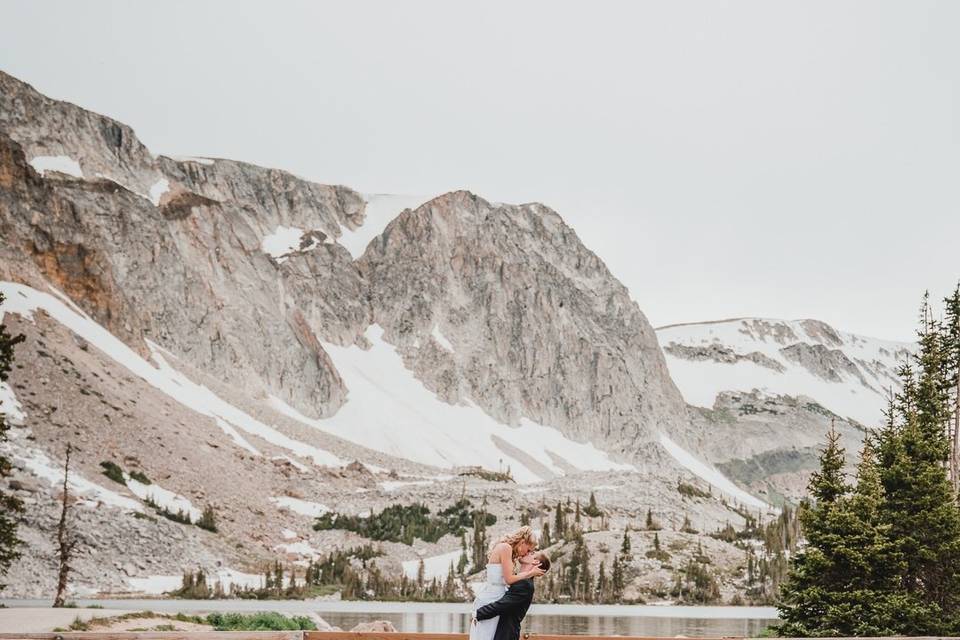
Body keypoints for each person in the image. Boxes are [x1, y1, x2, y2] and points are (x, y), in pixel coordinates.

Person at [468, 526, 546, 640]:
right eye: (528, 550)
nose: (526, 553)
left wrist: (478, 614)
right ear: (523, 542)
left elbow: (509, 582)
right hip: (492, 597)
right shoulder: (506, 548)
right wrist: (530, 573)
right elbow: (509, 580)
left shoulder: (524, 581)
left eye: (530, 552)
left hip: (495, 599)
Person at [474, 549, 551, 640]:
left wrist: (477, 614)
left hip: (506, 635)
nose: (526, 552)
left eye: (532, 553)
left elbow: (502, 604)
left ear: (535, 562)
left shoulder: (525, 585)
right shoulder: (517, 579)